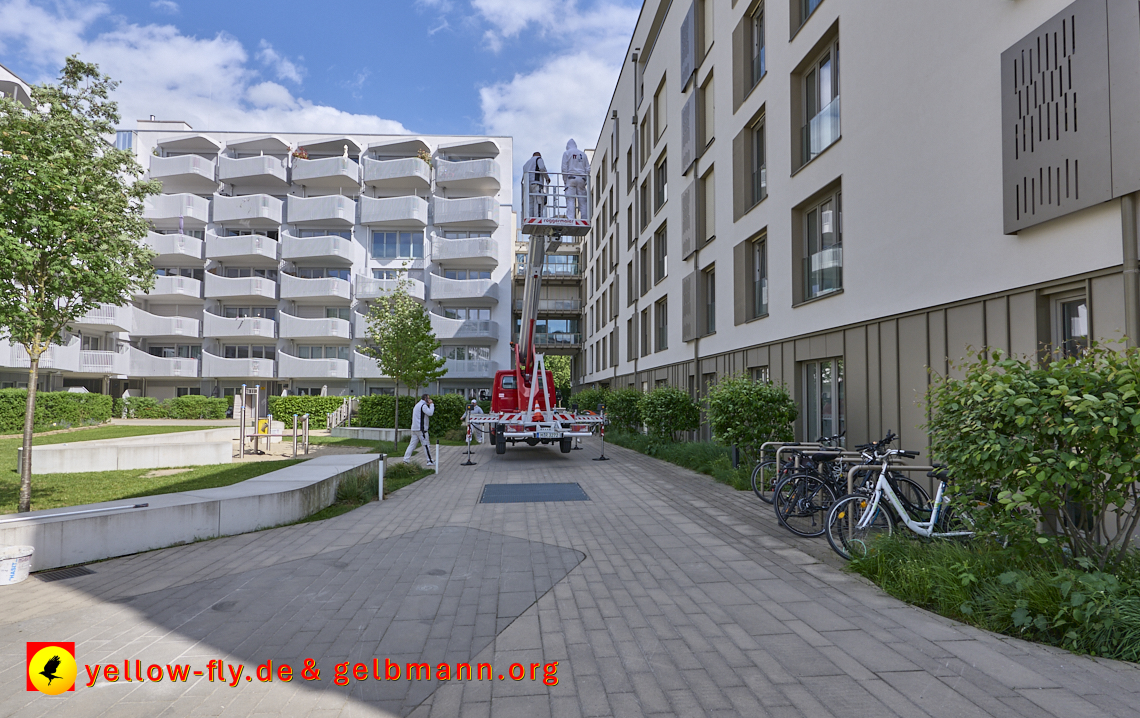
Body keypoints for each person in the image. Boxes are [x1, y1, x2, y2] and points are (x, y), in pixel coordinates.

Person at [561, 139, 589, 219]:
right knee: (583, 201)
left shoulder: (566, 153)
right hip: (581, 178)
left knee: (570, 199)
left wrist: (565, 181)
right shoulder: (583, 154)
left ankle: (570, 218)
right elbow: (588, 168)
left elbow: (564, 168)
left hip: (570, 178)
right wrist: (585, 179)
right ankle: (584, 218)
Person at [404, 393, 435, 466]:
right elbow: (430, 413)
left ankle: (406, 459)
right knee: (426, 445)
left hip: (415, 429)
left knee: (412, 445)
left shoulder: (417, 405)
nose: (429, 399)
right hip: (421, 429)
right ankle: (429, 460)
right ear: (425, 399)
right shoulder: (423, 406)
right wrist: (431, 404)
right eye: (428, 398)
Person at [522, 151, 550, 218]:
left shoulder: (526, 164)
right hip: (537, 182)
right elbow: (542, 168)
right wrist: (547, 178)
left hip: (528, 185)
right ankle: (538, 217)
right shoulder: (538, 159)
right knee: (538, 201)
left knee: (531, 202)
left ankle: (530, 216)